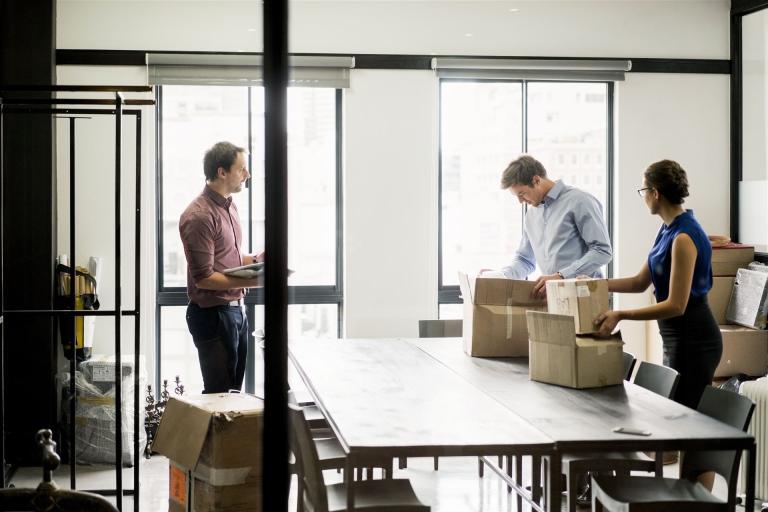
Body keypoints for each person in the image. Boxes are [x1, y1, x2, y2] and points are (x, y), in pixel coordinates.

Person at [594, 159, 722, 410]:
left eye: (643, 190)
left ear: (655, 193)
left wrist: (621, 314)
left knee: (682, 415)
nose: (643, 197)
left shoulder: (683, 237)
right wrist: (596, 284)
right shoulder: (667, 229)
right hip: (675, 336)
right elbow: (639, 282)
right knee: (673, 411)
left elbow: (676, 305)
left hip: (694, 339)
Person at [179, 141, 263, 394]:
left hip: (236, 312)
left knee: (233, 393)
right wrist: (256, 281)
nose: (247, 174)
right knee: (220, 395)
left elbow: (229, 258)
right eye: (242, 168)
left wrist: (257, 260)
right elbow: (204, 278)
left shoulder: (229, 206)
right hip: (213, 316)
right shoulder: (199, 216)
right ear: (222, 172)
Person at [483, 155, 612, 297]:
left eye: (522, 194)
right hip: (555, 298)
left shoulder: (580, 201)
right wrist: (502, 275)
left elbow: (602, 251)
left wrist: (562, 275)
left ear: (536, 180)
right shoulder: (531, 215)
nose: (520, 201)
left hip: (587, 296)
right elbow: (525, 260)